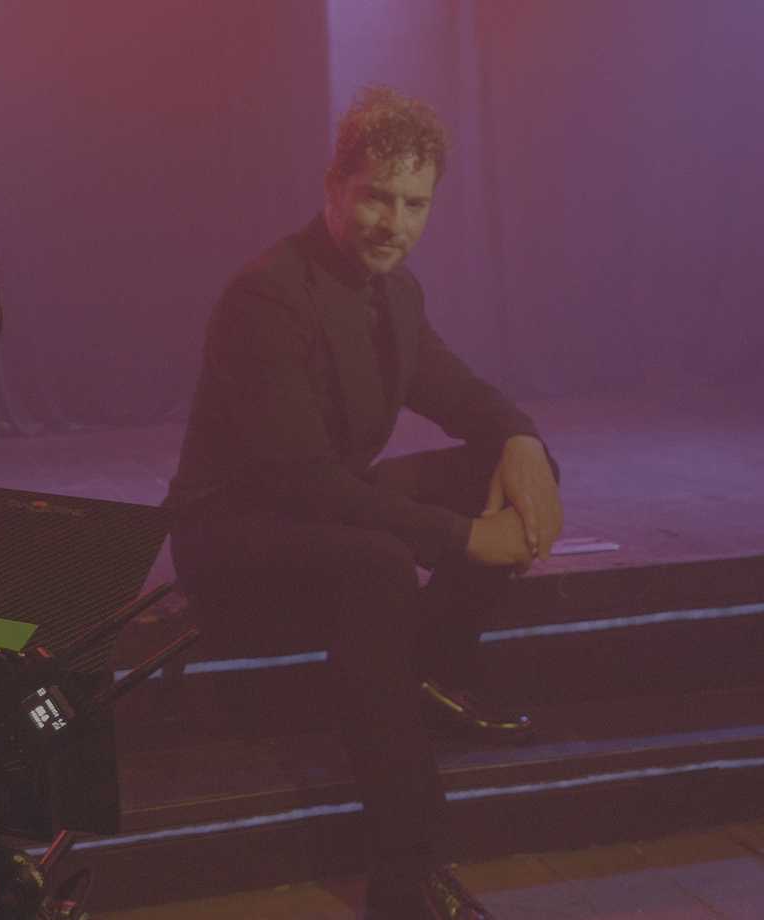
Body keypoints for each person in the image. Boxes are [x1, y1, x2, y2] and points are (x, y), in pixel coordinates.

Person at [164, 85, 561, 920]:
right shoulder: (268, 294)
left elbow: (462, 396)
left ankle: (428, 675)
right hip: (234, 527)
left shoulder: (396, 293)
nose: (394, 222)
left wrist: (523, 441)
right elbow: (299, 480)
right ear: (333, 188)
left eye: (415, 204)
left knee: (512, 466)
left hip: (321, 500)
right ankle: (406, 868)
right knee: (378, 563)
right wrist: (464, 539)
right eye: (378, 196)